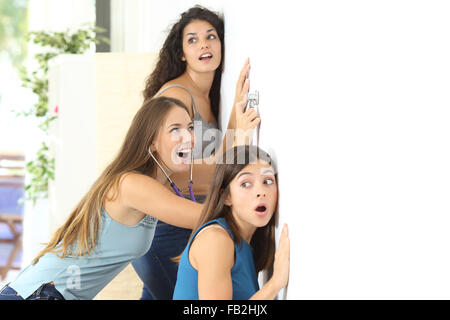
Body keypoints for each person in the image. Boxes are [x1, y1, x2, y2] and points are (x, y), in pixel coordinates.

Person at [0, 96, 258, 300]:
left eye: (190, 128)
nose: (188, 137)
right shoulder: (131, 185)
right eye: (175, 129)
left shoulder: (163, 177)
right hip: (40, 293)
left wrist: (237, 121)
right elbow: (207, 217)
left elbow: (218, 170)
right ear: (152, 142)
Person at [132, 5, 256, 300]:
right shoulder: (176, 95)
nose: (204, 44)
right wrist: (240, 137)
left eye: (211, 37)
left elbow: (214, 159)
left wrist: (235, 118)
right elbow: (173, 168)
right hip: (165, 234)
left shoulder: (204, 95)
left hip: (182, 229)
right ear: (181, 54)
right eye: (192, 39)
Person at [173, 145, 290, 300]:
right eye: (246, 184)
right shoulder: (216, 240)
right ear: (226, 197)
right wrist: (275, 284)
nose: (260, 192)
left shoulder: (247, 244)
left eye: (268, 181)